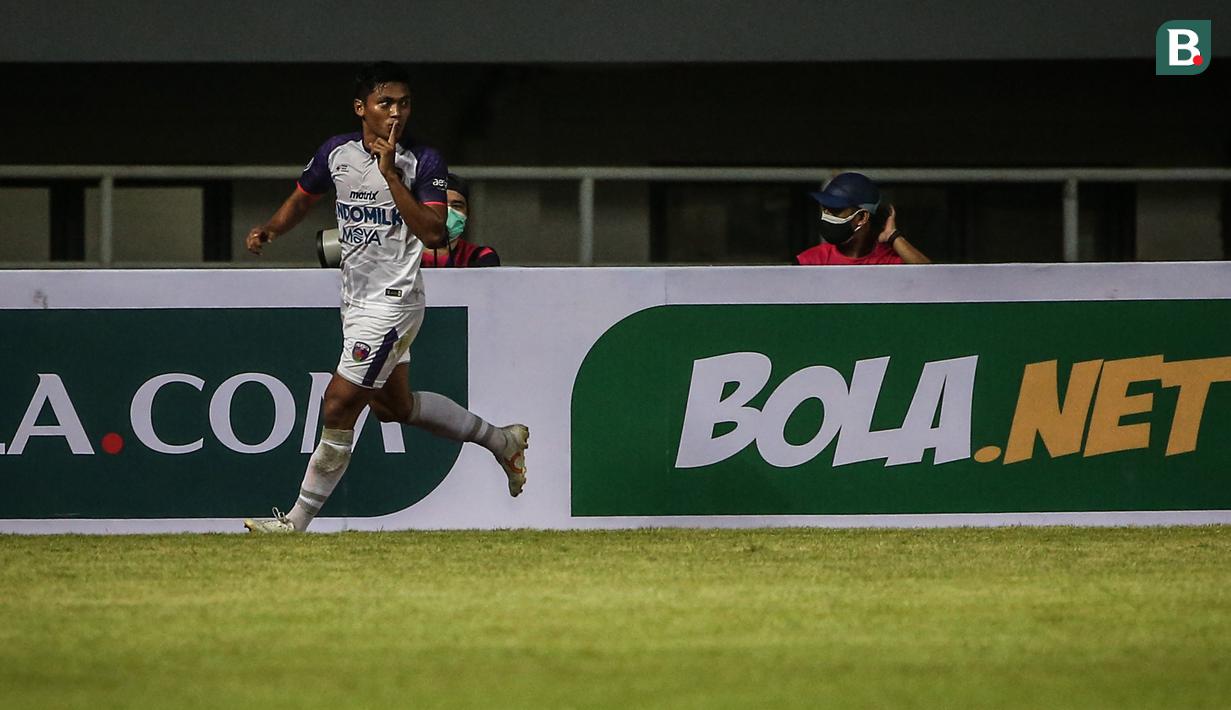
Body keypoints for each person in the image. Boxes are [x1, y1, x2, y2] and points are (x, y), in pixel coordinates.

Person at [241, 62, 528, 533]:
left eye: (404, 103)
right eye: (385, 103)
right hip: (356, 300)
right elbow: (303, 196)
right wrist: (272, 228)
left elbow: (435, 234)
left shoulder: (424, 161)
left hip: (394, 303)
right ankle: (502, 441)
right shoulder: (336, 152)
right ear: (361, 108)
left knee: (338, 405)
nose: (396, 112)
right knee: (394, 407)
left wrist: (391, 175)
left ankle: (294, 523)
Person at [795, 172, 931, 265]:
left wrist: (893, 236)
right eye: (825, 209)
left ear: (862, 217)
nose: (827, 217)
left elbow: (930, 278)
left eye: (836, 210)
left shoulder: (887, 261)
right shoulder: (812, 261)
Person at [420, 172, 502, 267]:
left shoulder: (480, 256)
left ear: (467, 213)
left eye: (456, 206)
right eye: (441, 204)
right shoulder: (405, 255)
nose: (448, 212)